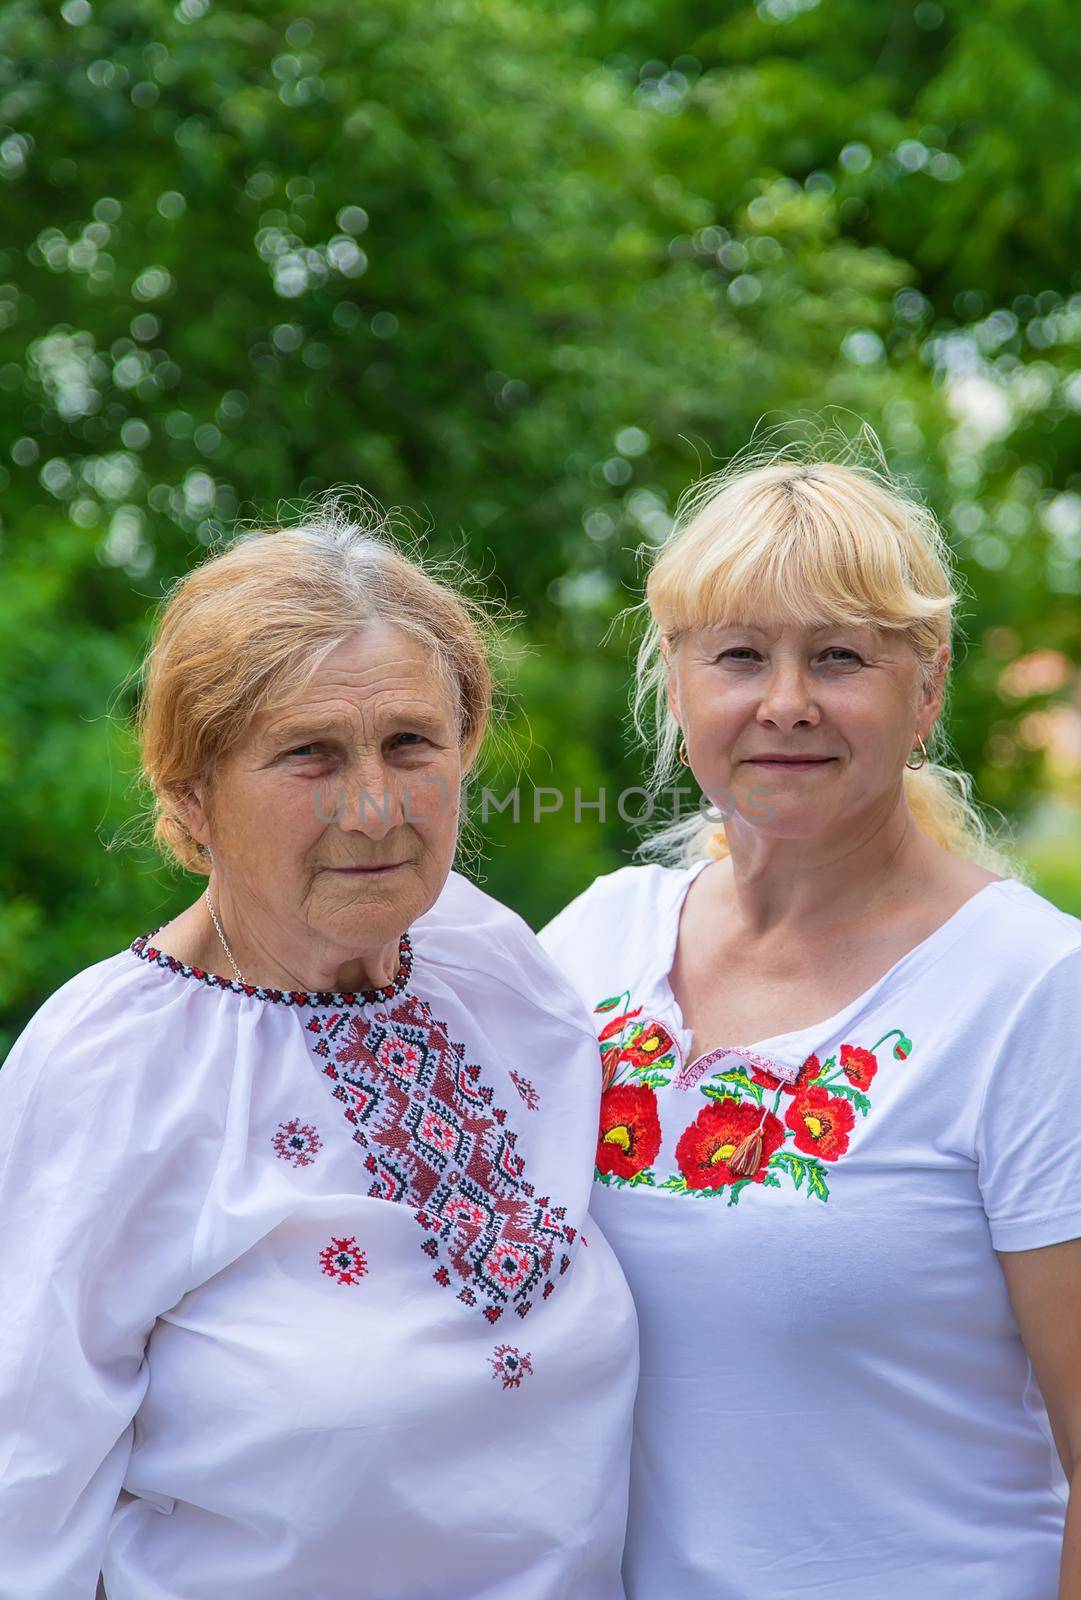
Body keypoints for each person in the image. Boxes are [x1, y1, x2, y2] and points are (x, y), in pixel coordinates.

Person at [0, 507, 636, 1600]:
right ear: (189, 791)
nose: (376, 806)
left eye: (411, 743)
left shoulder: (499, 975)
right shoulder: (112, 1066)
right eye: (309, 754)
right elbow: (23, 1483)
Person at [539, 456, 1081, 1600]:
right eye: (739, 654)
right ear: (676, 684)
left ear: (926, 688)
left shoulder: (1033, 990)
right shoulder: (590, 951)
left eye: (838, 655)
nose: (785, 699)